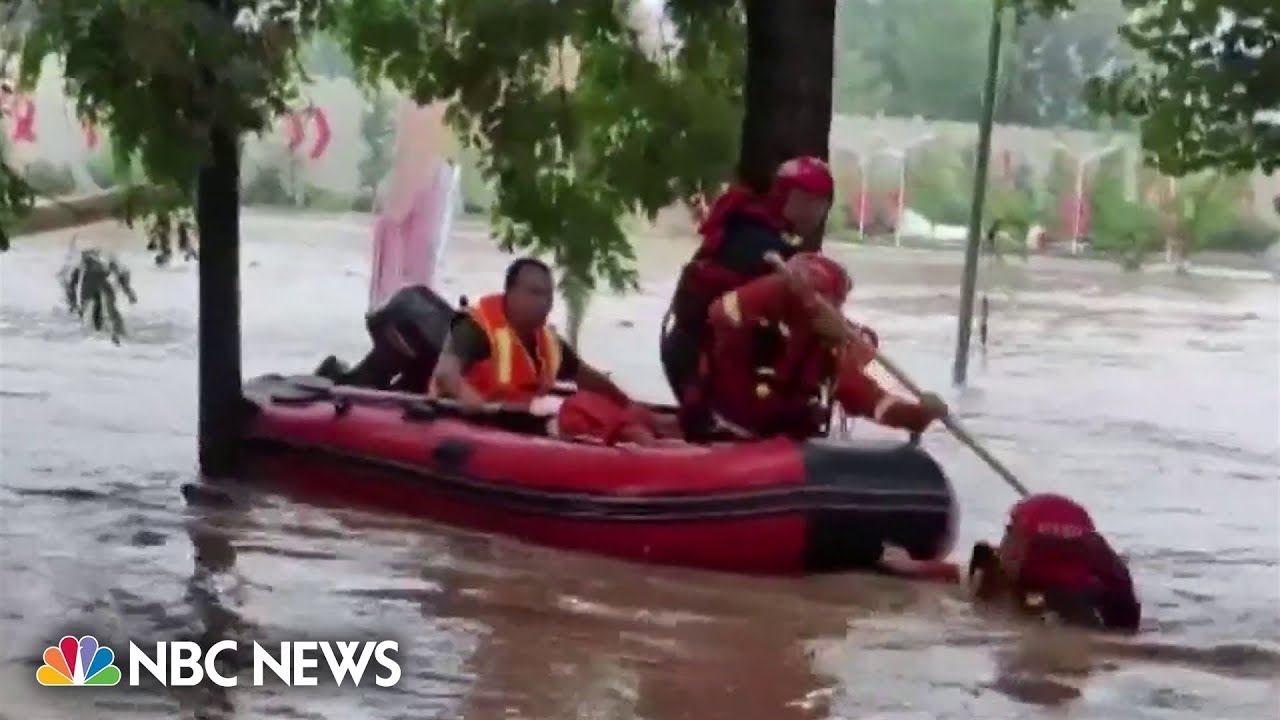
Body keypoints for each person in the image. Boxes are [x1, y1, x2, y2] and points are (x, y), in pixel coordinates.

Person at [685, 251, 948, 440]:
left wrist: (919, 414)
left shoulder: (843, 344)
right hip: (726, 422)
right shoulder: (752, 310)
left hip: (779, 437)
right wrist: (798, 298)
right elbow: (720, 314)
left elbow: (878, 391)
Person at [430, 257, 677, 445]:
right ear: (510, 294)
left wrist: (627, 403)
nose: (545, 302)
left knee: (599, 410)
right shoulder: (476, 327)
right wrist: (471, 398)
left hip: (523, 422)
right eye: (535, 293)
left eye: (548, 295)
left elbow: (587, 377)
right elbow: (446, 373)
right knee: (577, 413)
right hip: (477, 422)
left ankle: (655, 433)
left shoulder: (549, 341)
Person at [661, 157, 835, 416]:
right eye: (808, 201)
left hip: (698, 356)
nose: (816, 212)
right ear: (787, 197)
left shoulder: (760, 233)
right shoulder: (764, 246)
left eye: (822, 203)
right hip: (704, 365)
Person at [883, 493, 1142, 633]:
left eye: (1011, 531)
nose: (1003, 540)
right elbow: (962, 573)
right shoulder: (1104, 583)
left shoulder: (1069, 615)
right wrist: (915, 566)